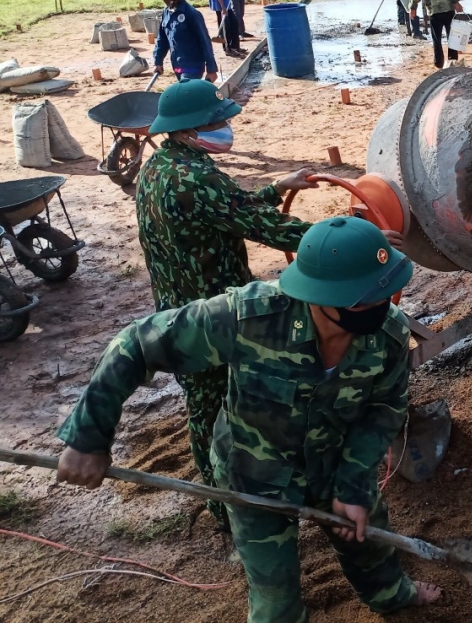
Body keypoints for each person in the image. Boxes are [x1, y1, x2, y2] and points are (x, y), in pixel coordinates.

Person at [55, 217, 443, 620]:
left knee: (371, 547)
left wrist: (354, 486)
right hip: (256, 475)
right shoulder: (248, 317)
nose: (382, 305)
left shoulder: (389, 334)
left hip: (336, 463)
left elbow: (384, 410)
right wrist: (88, 437)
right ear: (322, 294)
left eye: (385, 290)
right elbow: (136, 344)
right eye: (367, 296)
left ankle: (392, 596)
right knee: (275, 597)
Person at [135, 78, 317, 528]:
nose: (225, 127)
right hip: (217, 317)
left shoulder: (159, 168)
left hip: (176, 311)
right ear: (192, 128)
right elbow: (268, 230)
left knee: (203, 404)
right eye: (218, 121)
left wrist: (277, 187)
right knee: (224, 406)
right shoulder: (199, 178)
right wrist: (350, 238)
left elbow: (226, 210)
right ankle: (233, 503)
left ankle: (220, 501)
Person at [151, 0, 218, 82]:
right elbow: (162, 39)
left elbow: (205, 42)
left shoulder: (192, 14)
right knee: (186, 93)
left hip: (192, 66)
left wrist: (211, 69)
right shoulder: (166, 12)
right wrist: (158, 61)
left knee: (186, 91)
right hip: (177, 65)